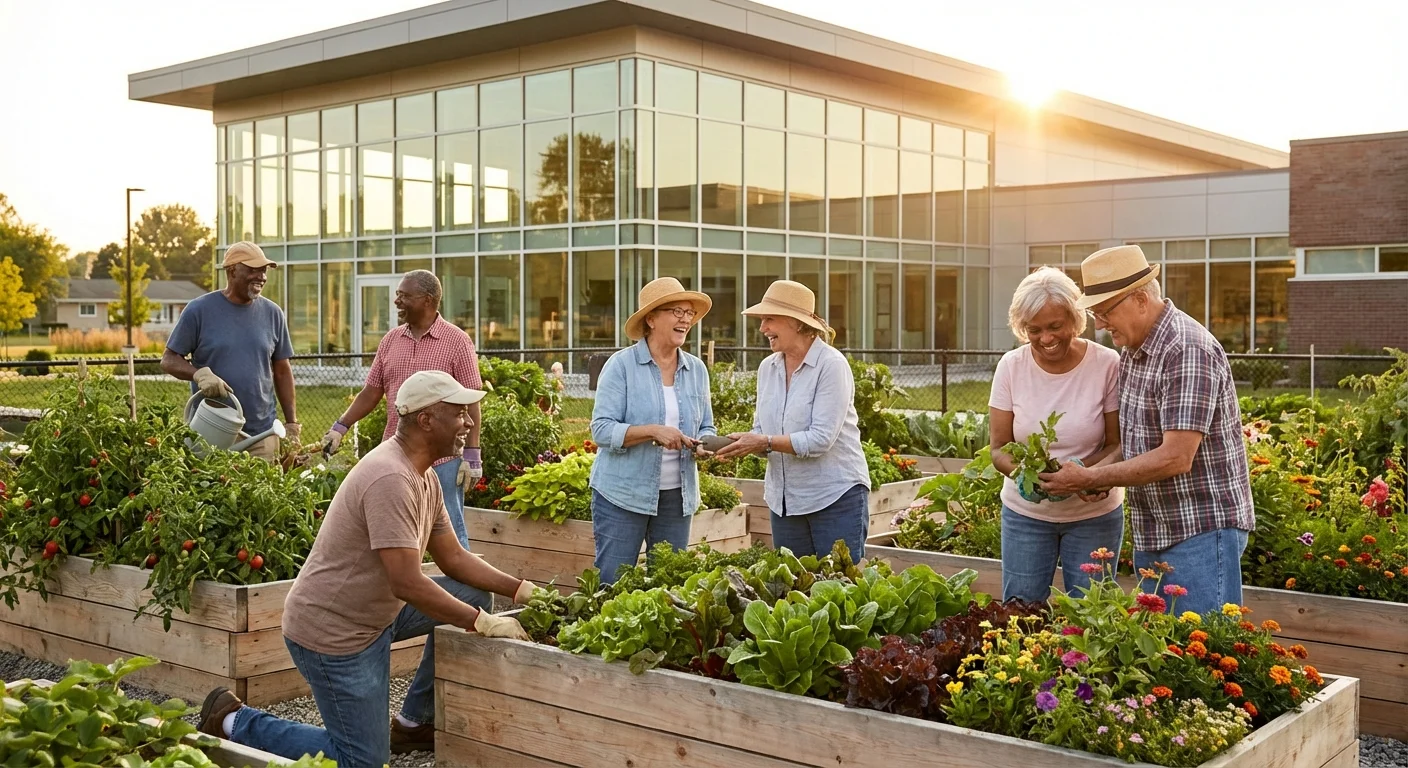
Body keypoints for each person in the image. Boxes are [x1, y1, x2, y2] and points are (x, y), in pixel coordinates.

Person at [197, 371, 536, 764]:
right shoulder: (390, 478)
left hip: (376, 614)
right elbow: (407, 582)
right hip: (335, 633)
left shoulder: (423, 476)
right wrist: (480, 623)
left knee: (476, 593)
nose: (469, 422)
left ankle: (414, 721)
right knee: (363, 761)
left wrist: (522, 590)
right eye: (459, 413)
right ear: (426, 420)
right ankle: (235, 720)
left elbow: (454, 558)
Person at [1039, 245, 1255, 616]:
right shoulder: (1135, 350)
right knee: (1167, 657)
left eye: (1106, 312)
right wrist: (1095, 476)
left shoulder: (1186, 349)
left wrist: (1091, 477)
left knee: (1198, 655)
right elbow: (1137, 440)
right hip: (1157, 527)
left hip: (1200, 529)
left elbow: (1175, 457)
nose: (1101, 324)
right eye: (1096, 313)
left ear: (1140, 299)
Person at [989, 267, 1124, 602]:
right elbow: (998, 447)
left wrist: (1082, 474)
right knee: (1020, 613)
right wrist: (1026, 475)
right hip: (1026, 516)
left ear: (1074, 320)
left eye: (1055, 327)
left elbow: (1117, 443)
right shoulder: (1011, 366)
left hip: (1094, 515)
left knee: (1092, 616)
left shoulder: (1106, 364)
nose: (1046, 338)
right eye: (1034, 330)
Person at [321, 270, 483, 547]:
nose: (397, 301)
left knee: (450, 535)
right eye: (397, 295)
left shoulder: (456, 341)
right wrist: (340, 426)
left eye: (404, 296)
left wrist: (472, 453)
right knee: (393, 533)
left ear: (428, 300)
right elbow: (372, 391)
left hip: (442, 460)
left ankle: (462, 589)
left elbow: (472, 401)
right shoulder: (391, 340)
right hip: (396, 457)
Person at [714, 280, 870, 558]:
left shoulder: (831, 365)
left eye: (769, 319)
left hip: (834, 498)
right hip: (785, 503)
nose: (762, 329)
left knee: (839, 591)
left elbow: (821, 439)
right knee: (793, 593)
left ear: (797, 323)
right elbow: (762, 430)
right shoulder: (768, 368)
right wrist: (741, 444)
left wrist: (764, 441)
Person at [589, 277, 716, 583]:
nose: (685, 319)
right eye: (677, 311)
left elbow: (706, 425)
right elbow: (601, 430)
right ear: (651, 318)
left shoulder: (696, 369)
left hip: (677, 498)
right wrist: (653, 432)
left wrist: (707, 445)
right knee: (613, 584)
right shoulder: (621, 366)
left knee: (670, 588)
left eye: (689, 314)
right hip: (622, 495)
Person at [162, 241, 298, 460]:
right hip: (213, 427)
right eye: (253, 269)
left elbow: (282, 370)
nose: (261, 276)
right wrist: (198, 373)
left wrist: (291, 424)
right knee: (212, 492)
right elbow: (168, 359)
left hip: (262, 433)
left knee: (263, 492)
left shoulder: (273, 314)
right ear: (233, 270)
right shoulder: (200, 310)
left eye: (263, 270)